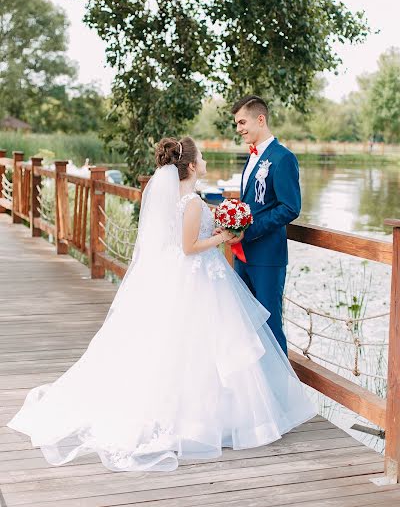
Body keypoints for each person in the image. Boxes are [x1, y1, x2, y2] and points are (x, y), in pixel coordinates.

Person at [7, 136, 315, 472]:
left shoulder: (181, 199)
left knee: (186, 346)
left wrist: (221, 220)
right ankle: (209, 419)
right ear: (193, 165)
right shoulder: (192, 202)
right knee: (206, 346)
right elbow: (188, 246)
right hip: (199, 274)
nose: (206, 161)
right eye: (202, 157)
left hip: (187, 275)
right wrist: (224, 237)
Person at [229, 96, 301, 355]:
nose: (239, 129)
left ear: (261, 119)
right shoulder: (251, 157)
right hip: (243, 255)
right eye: (236, 124)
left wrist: (249, 229)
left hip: (268, 256)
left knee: (270, 326)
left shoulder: (283, 158)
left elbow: (290, 207)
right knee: (244, 323)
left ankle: (279, 390)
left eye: (242, 122)